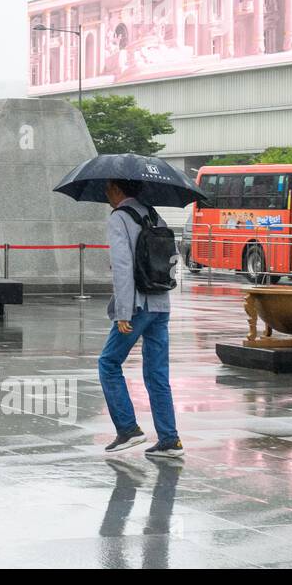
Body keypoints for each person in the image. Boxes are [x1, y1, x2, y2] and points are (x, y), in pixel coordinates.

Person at [98, 178, 183, 457]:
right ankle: (170, 439)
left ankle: (128, 429)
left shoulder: (120, 218)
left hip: (137, 305)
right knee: (157, 373)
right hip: (161, 302)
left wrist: (123, 311)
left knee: (108, 363)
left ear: (118, 189)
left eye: (109, 188)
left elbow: (123, 266)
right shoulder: (154, 214)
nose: (106, 193)